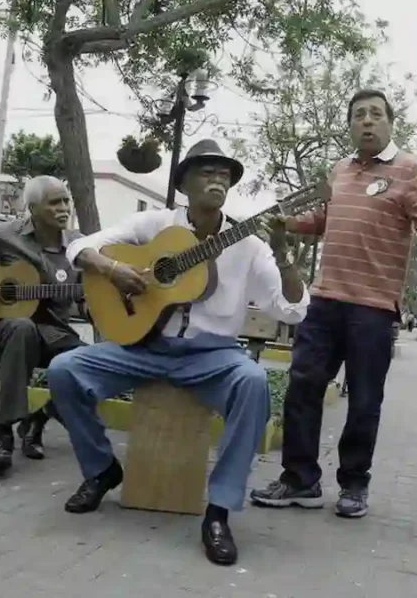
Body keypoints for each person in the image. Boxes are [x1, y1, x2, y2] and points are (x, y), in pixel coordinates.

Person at [45, 139, 309, 566]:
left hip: (212, 357)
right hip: (143, 345)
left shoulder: (249, 243)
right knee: (63, 370)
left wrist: (282, 255)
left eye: (224, 174)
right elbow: (80, 247)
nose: (218, 179)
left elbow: (292, 310)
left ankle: (219, 511)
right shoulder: (155, 225)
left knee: (254, 381)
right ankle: (100, 469)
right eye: (207, 172)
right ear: (184, 183)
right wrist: (114, 269)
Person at [250, 88, 417, 518]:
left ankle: (354, 485)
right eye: (358, 115)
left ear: (390, 122)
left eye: (374, 114)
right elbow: (324, 220)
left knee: (365, 400)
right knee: (302, 389)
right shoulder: (340, 170)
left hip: (373, 308)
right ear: (350, 124)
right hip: (325, 301)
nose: (366, 121)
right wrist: (288, 222)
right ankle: (300, 480)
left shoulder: (409, 171)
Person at [0, 176, 85, 474]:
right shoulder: (5, 234)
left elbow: (88, 293)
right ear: (33, 208)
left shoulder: (79, 245)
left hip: (52, 328)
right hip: (3, 323)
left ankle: (38, 419)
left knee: (91, 362)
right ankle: (3, 435)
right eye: (54, 202)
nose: (64, 208)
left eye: (66, 200)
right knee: (22, 328)